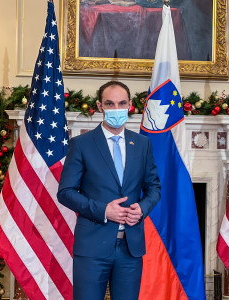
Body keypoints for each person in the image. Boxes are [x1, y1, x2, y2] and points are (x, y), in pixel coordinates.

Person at [57, 81, 161, 300]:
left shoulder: (142, 144)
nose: (116, 109)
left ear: (130, 105)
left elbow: (154, 188)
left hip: (130, 249)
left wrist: (142, 208)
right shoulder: (81, 144)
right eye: (110, 103)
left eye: (122, 103)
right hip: (92, 248)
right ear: (99, 106)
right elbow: (65, 192)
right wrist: (104, 210)